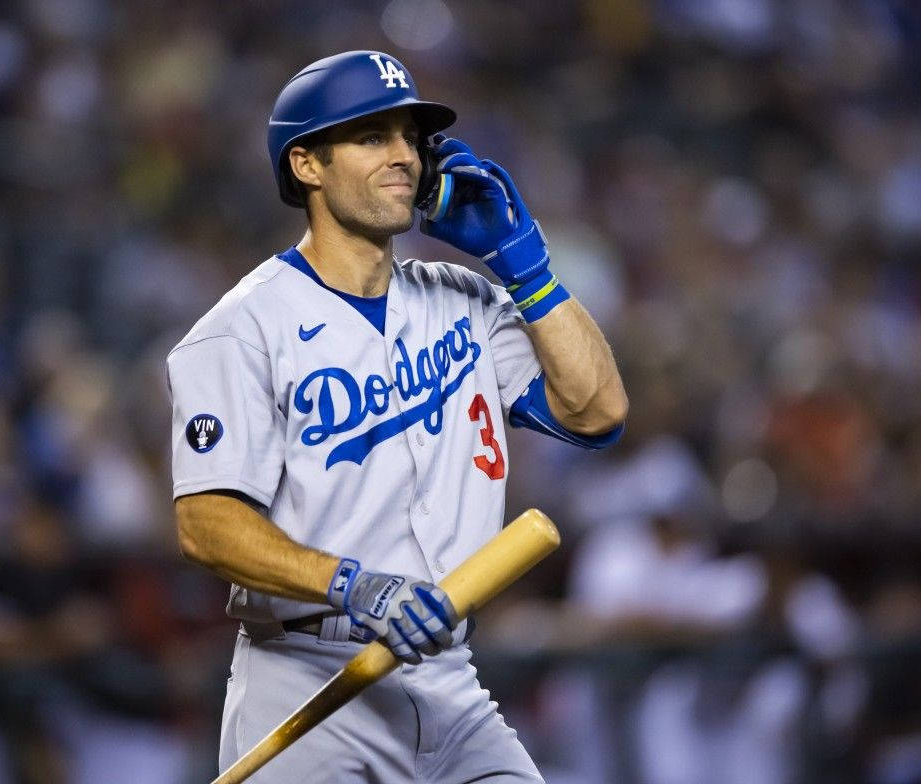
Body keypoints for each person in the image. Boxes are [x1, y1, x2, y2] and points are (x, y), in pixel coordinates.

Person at [167, 50, 628, 783]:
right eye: (371, 136)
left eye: (410, 138)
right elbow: (205, 523)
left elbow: (598, 412)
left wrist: (527, 266)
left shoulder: (462, 297)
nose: (403, 157)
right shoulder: (244, 328)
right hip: (305, 680)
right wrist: (353, 583)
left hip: (447, 680)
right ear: (308, 165)